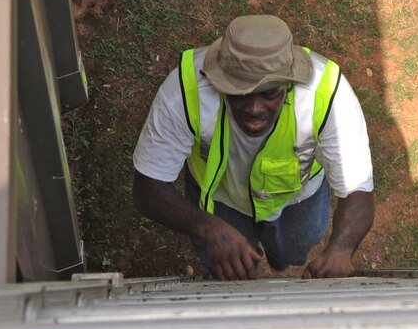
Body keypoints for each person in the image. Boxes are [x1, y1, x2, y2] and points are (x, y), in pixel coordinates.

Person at [132, 15, 374, 280]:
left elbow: (358, 189)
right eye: (240, 93)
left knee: (291, 253)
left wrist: (341, 249)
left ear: (289, 82)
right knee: (228, 270)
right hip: (219, 202)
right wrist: (207, 227)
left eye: (270, 93)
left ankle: (280, 259)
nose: (254, 109)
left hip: (299, 198)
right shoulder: (184, 90)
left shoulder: (328, 95)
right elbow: (148, 188)